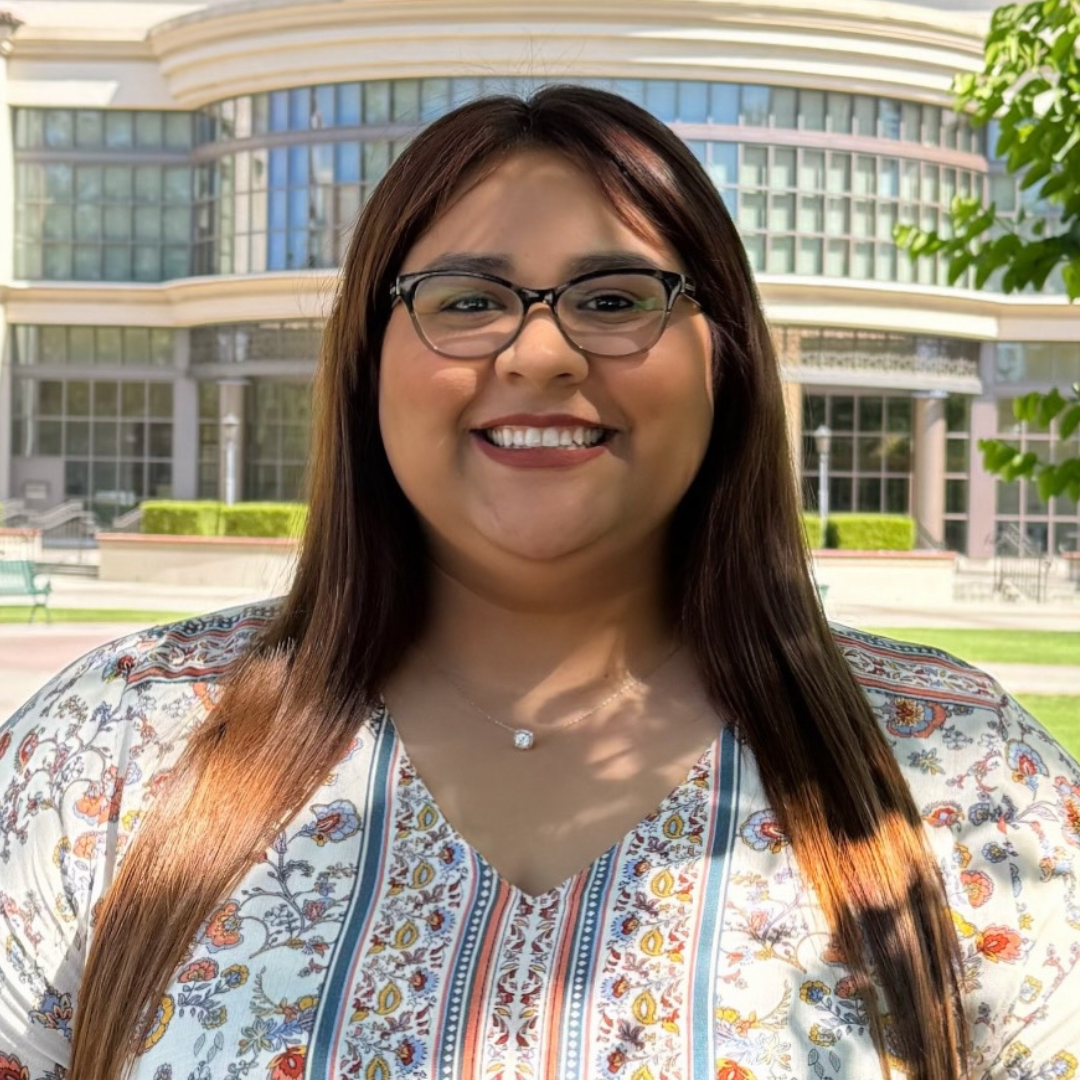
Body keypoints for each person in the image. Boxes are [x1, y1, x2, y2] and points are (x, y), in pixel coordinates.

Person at [1, 85, 1078, 1080]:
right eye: (466, 299)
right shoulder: (117, 747)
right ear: (368, 360)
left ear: (728, 359)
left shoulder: (963, 779)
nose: (540, 353)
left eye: (615, 299)